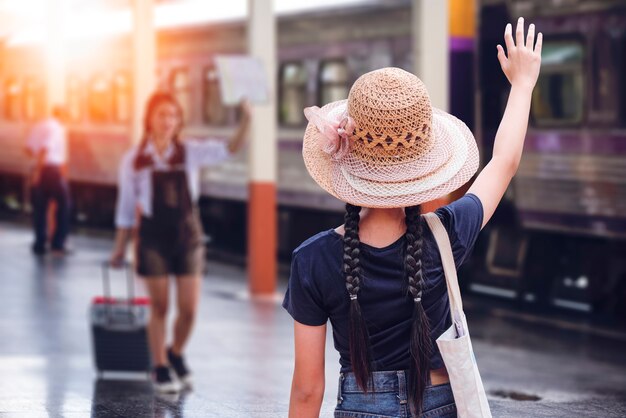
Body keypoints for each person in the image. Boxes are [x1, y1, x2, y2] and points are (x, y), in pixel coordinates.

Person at [283, 18, 541, 417]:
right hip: (438, 403)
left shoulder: (312, 260)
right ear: (425, 165)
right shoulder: (446, 235)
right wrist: (522, 85)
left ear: (347, 162)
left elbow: (306, 389)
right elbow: (503, 164)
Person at [110, 92, 250, 393]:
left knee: (189, 309)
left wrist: (247, 120)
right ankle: (159, 366)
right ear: (149, 118)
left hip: (188, 236)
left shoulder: (190, 152)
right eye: (162, 115)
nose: (168, 121)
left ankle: (175, 353)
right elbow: (125, 206)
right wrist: (119, 247)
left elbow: (230, 148)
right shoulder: (134, 159)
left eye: (173, 116)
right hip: (152, 237)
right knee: (159, 306)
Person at [25, 105, 71, 256]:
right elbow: (45, 148)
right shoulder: (57, 127)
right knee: (64, 204)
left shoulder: (39, 125)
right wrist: (40, 170)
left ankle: (39, 243)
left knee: (40, 208)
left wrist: (36, 168)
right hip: (51, 170)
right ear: (62, 115)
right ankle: (58, 243)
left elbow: (28, 149)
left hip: (40, 168)